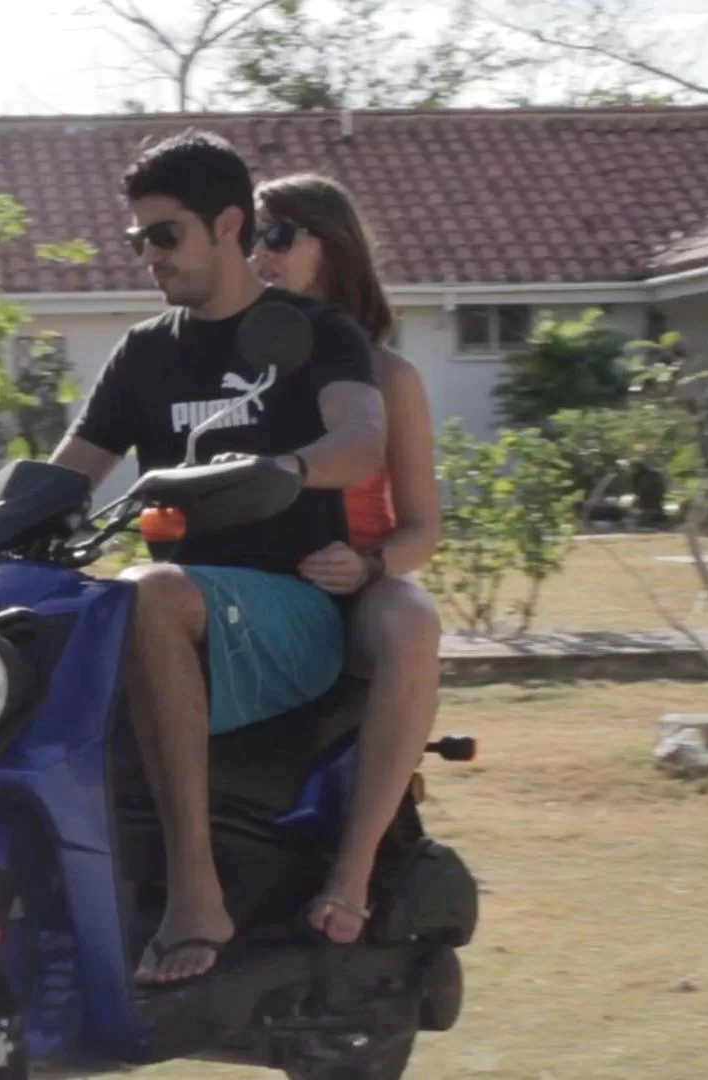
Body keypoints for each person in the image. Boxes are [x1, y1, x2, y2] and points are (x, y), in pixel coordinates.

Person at [49, 130, 387, 985]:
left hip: (294, 609)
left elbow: (360, 436)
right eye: (138, 240)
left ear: (228, 224)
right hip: (187, 608)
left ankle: (195, 894)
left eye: (164, 236)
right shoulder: (143, 351)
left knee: (148, 592)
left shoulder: (314, 333)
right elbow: (67, 475)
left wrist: (283, 467)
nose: (147, 256)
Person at [251, 173, 443, 946]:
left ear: (326, 247)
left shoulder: (388, 377)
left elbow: (424, 529)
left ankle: (351, 873)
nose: (256, 256)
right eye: (248, 239)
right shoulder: (237, 368)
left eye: (273, 237)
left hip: (353, 595)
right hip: (246, 591)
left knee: (411, 621)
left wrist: (367, 566)